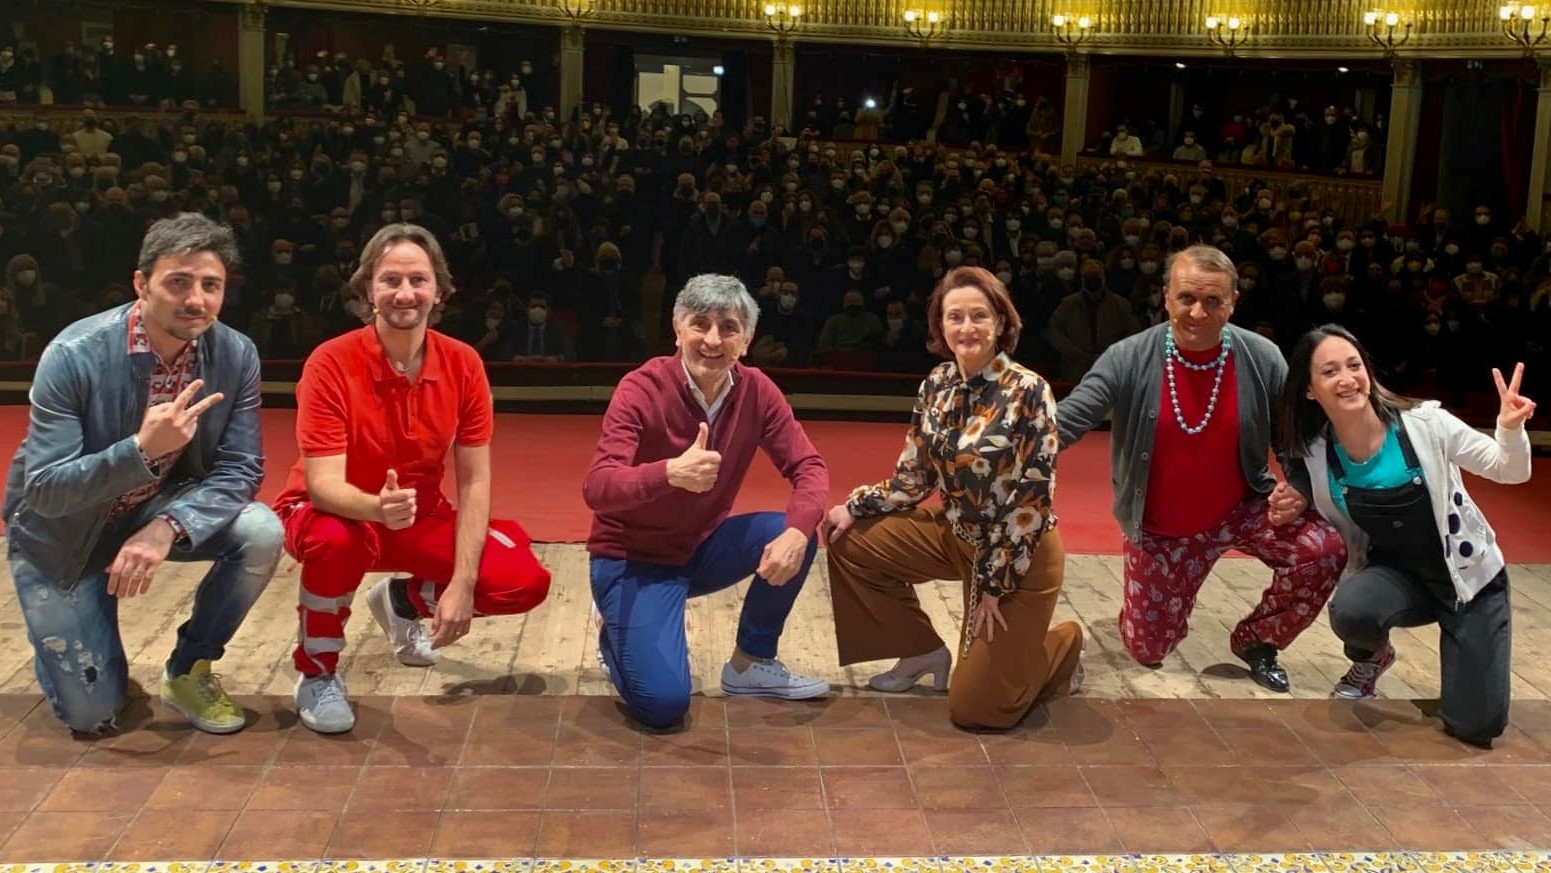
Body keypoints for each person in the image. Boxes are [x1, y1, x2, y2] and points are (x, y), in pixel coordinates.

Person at [4, 212, 283, 736]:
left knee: (261, 532)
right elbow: (43, 490)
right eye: (178, 282)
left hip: (149, 511)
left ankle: (189, 669)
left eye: (211, 285)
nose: (196, 299)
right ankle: (71, 630)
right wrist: (140, 451)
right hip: (61, 534)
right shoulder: (73, 354)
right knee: (93, 715)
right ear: (141, 283)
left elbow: (241, 468)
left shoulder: (235, 353)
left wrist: (167, 527)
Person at [275, 223, 552, 734]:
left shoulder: (464, 364)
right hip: (329, 512)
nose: (405, 293)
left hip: (416, 513)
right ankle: (317, 673)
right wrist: (375, 509)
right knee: (337, 543)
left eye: (419, 280)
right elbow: (322, 485)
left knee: (523, 581)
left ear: (440, 291)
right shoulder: (330, 362)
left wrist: (461, 584)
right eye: (390, 280)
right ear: (367, 290)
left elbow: (475, 481)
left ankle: (402, 600)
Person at [1058, 245, 1347, 692]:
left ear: (1233, 302)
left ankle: (1258, 640)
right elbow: (1069, 419)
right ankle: (1161, 600)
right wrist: (1008, 442)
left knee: (1323, 549)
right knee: (1147, 649)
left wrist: (1300, 487)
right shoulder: (1127, 356)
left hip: (1243, 508)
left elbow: (1291, 437)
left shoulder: (1262, 356)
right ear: (1166, 298)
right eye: (1186, 298)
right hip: (1163, 529)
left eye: (1213, 301)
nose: (1198, 313)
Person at [822, 266, 1084, 730]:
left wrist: (995, 585)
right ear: (940, 326)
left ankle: (1058, 648)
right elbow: (914, 479)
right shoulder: (936, 384)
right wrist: (853, 506)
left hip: (1017, 556)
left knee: (976, 711)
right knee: (848, 539)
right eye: (955, 317)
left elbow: (1030, 503)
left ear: (1000, 322)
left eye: (979, 315)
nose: (967, 328)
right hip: (957, 536)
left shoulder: (1029, 391)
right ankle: (921, 650)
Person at [582, 273, 831, 729]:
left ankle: (751, 662)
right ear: (677, 330)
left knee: (796, 532)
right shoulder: (640, 388)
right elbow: (598, 487)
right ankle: (612, 632)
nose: (713, 339)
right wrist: (668, 473)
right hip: (631, 559)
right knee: (663, 705)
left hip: (699, 547)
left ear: (747, 340)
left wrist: (798, 531)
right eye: (700, 324)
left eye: (729, 327)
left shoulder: (758, 391)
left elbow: (809, 467)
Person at [1273, 324, 1533, 747]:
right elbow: (1312, 496)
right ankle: (1372, 658)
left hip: (1468, 581)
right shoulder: (1318, 452)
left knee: (1476, 727)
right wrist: (1293, 500)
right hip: (1399, 577)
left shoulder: (1425, 423)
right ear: (1309, 390)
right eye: (1330, 371)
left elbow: (1510, 470)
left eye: (1354, 366)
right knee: (1353, 610)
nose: (1347, 379)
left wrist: (1509, 429)